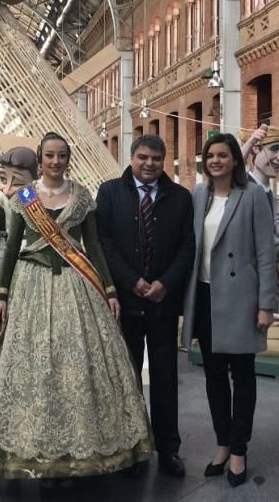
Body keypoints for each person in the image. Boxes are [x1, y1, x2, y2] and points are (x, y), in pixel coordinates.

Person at [0, 132, 151, 483]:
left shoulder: (81, 195)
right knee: (35, 365)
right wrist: (1, 294)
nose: (56, 162)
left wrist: (110, 291)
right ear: (40, 159)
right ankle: (37, 448)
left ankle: (79, 448)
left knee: (78, 365)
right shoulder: (24, 198)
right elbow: (12, 247)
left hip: (77, 287)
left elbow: (94, 247)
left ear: (67, 159)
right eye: (49, 156)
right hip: (30, 286)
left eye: (62, 156)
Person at [95, 134, 196, 477]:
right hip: (124, 302)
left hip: (163, 303)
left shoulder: (180, 197)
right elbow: (102, 242)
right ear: (131, 158)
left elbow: (187, 247)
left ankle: (168, 449)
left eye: (155, 158)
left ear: (164, 160)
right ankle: (131, 448)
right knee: (126, 377)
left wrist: (164, 283)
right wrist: (130, 281)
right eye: (142, 157)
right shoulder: (109, 193)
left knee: (166, 379)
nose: (149, 164)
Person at [180, 133, 277, 487]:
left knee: (243, 375)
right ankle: (222, 442)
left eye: (223, 155)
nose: (216, 160)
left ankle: (239, 448)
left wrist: (266, 304)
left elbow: (267, 253)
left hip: (240, 299)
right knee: (214, 376)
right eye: (210, 155)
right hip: (204, 296)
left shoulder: (253, 196)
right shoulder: (198, 195)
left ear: (236, 159)